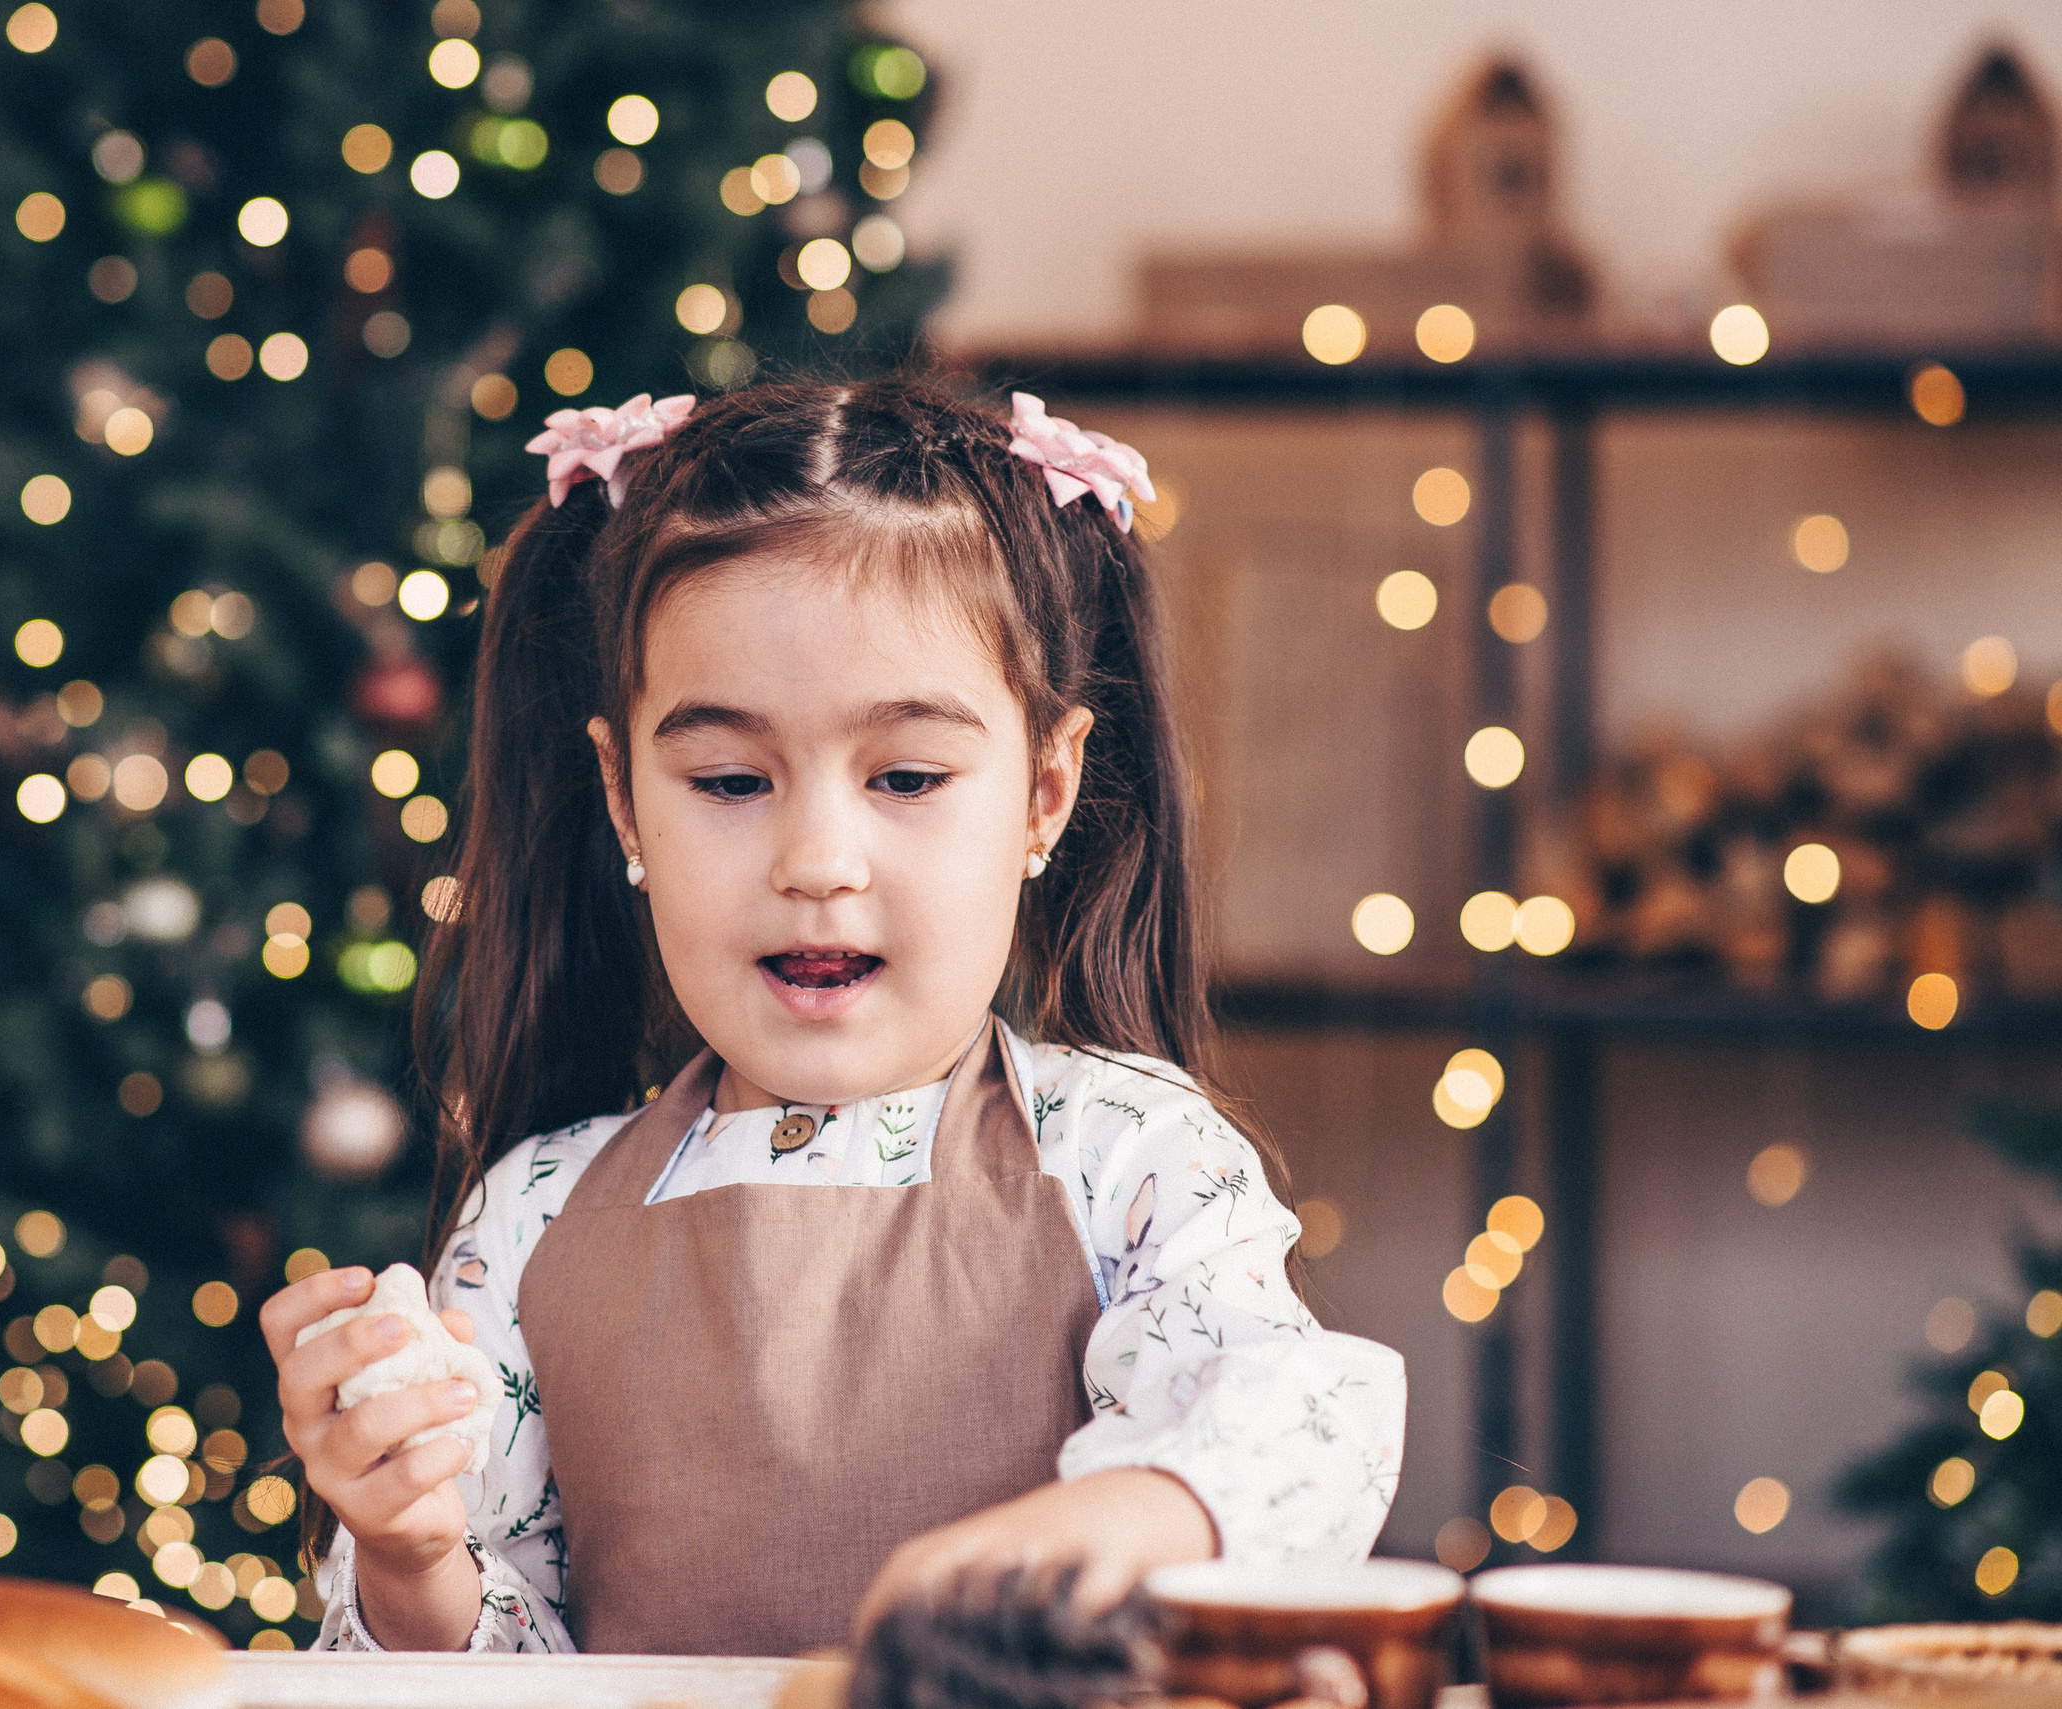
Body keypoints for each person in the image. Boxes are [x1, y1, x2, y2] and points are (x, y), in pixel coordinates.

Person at [263, 378, 1405, 1657]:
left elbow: (1304, 1421)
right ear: (626, 801)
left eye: (907, 775)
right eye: (730, 780)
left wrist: (1086, 1536)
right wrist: (409, 1551)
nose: (817, 858)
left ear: (1042, 791)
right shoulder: (531, 1217)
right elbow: (500, 1664)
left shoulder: (1133, 1162)